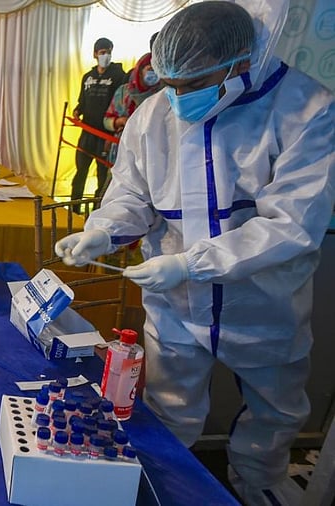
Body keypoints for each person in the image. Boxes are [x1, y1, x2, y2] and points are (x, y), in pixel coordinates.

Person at [55, 2, 333, 504]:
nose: (177, 98)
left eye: (190, 84)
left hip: (263, 304)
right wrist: (103, 231)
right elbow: (131, 195)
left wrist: (191, 263)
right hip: (176, 306)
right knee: (168, 411)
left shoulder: (306, 110)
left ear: (239, 62)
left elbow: (293, 222)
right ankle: (168, 488)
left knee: (275, 413)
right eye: (171, 84)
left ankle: (260, 485)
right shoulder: (151, 115)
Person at [98, 52, 164, 194]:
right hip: (121, 153)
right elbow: (106, 120)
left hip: (153, 154)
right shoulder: (124, 92)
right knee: (114, 193)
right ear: (140, 71)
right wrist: (118, 122)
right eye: (150, 69)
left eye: (157, 69)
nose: (154, 73)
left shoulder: (163, 93)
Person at [70, 37, 127, 203]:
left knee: (103, 175)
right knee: (80, 171)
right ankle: (74, 208)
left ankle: (97, 210)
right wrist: (77, 111)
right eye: (103, 52)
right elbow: (82, 101)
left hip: (106, 135)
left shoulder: (119, 76)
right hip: (87, 132)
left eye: (109, 52)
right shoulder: (88, 76)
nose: (106, 55)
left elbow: (120, 103)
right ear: (95, 54)